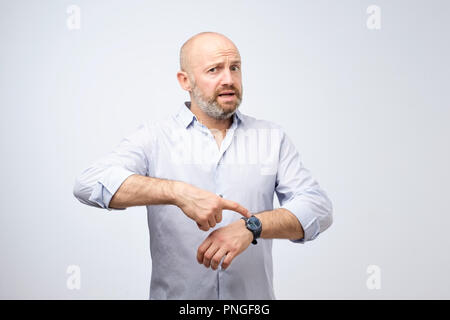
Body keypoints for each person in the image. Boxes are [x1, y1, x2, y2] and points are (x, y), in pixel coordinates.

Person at [73, 31, 333, 300]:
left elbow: (318, 207)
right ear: (185, 80)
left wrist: (252, 226)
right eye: (214, 70)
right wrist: (177, 193)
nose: (229, 79)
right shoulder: (155, 137)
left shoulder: (271, 138)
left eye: (235, 68)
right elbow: (89, 183)